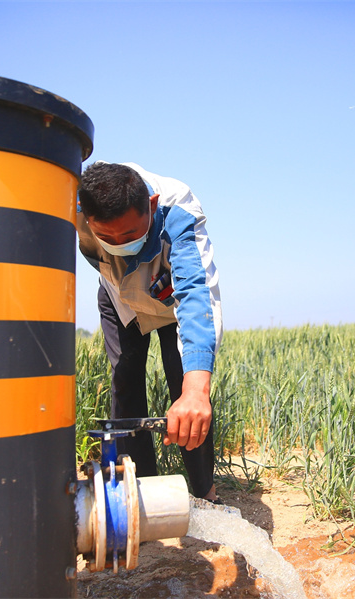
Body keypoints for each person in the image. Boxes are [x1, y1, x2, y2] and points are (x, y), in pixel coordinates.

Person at [77, 162, 222, 501]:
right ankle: (138, 490)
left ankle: (205, 492)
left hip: (171, 300)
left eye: (129, 235)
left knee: (183, 385)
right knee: (124, 381)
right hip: (119, 295)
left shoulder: (179, 211)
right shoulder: (73, 202)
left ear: (152, 205)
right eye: (106, 237)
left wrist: (196, 392)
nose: (118, 243)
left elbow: (196, 297)